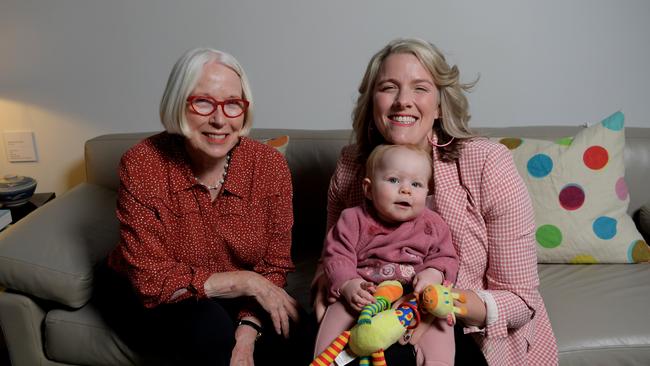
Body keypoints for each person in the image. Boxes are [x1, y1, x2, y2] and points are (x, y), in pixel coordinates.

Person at [311, 38, 559, 365]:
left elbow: (522, 300)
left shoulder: (487, 163)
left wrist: (433, 303)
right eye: (388, 87)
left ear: (440, 105)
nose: (403, 101)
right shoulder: (350, 168)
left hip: (465, 326)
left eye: (420, 88)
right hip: (367, 310)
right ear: (373, 102)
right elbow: (332, 254)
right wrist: (327, 292)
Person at [101, 47, 304, 365]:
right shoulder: (142, 164)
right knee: (208, 327)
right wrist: (246, 281)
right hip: (156, 295)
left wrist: (248, 333)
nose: (220, 120)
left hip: (233, 298)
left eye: (233, 104)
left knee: (292, 325)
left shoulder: (269, 166)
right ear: (178, 105)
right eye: (203, 102)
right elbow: (150, 279)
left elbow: (274, 267)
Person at [315, 144, 459, 365]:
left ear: (427, 193)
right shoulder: (352, 219)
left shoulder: (433, 224)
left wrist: (433, 273)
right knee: (331, 336)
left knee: (441, 332)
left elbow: (446, 257)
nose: (406, 190)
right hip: (364, 291)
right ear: (368, 189)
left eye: (416, 184)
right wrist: (347, 284)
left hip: (414, 297)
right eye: (393, 180)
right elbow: (336, 255)